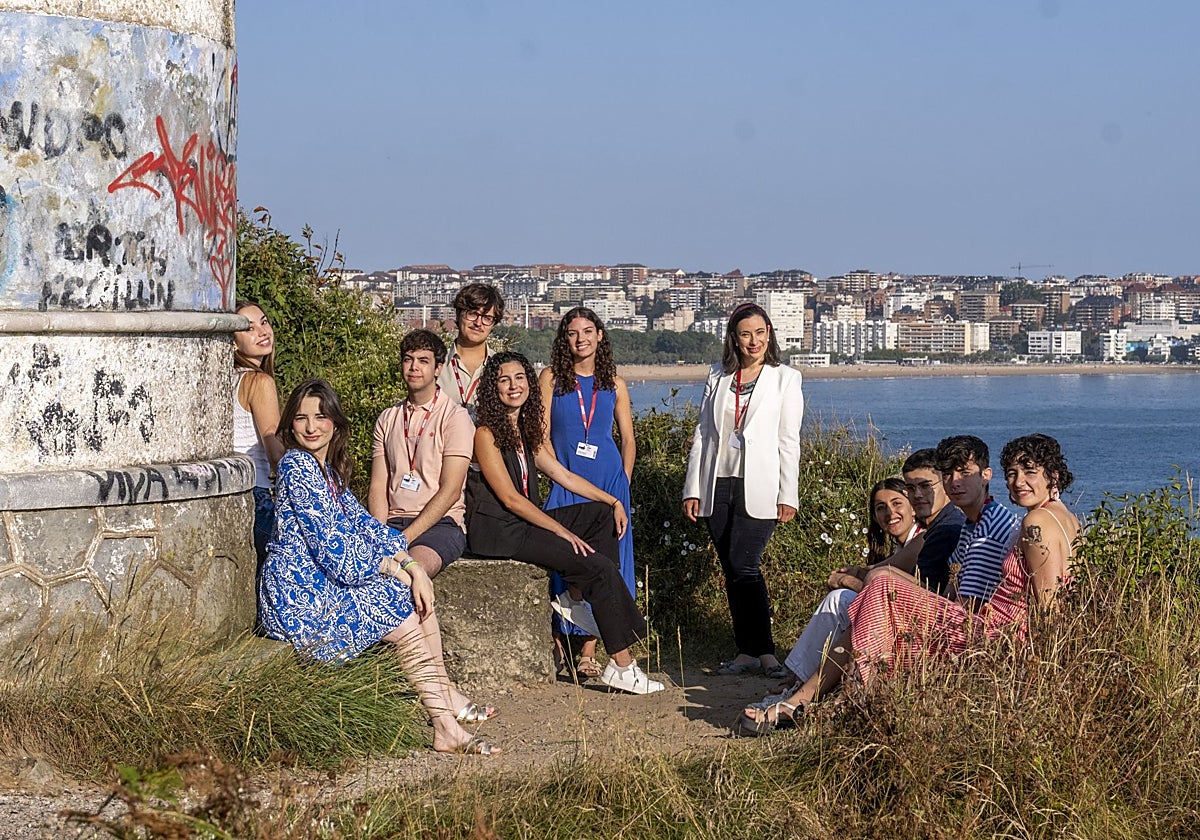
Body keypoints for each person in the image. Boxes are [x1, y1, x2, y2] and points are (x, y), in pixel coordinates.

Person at [259, 379, 501, 755]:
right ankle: (445, 720)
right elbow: (336, 553)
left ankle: (445, 708)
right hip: (299, 597)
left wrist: (410, 564)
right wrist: (398, 569)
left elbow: (366, 527)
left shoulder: (330, 475)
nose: (311, 427)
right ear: (290, 424)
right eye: (302, 418)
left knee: (410, 595)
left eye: (321, 417)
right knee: (398, 605)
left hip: (322, 584)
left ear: (335, 424)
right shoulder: (297, 467)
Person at [737, 434, 1022, 734]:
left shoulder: (985, 530)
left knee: (876, 591)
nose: (955, 481)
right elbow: (952, 588)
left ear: (986, 475)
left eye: (964, 473)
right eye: (949, 473)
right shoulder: (971, 523)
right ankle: (812, 698)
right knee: (877, 587)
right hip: (968, 622)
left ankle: (811, 699)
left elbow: (969, 606)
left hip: (977, 634)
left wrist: (874, 584)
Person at [466, 351, 664, 695]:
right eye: (503, 380)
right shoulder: (485, 433)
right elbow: (511, 499)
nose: (513, 386)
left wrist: (612, 500)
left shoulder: (525, 430)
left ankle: (575, 600)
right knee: (598, 568)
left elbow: (563, 475)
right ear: (492, 388)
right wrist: (560, 530)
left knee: (599, 516)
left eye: (519, 378)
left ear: (529, 383)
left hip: (523, 522)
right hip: (501, 531)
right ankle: (622, 664)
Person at [682, 302, 804, 679]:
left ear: (770, 333)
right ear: (734, 338)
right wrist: (692, 487)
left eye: (760, 332)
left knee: (745, 565)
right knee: (731, 569)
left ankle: (765, 651)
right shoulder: (718, 375)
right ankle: (746, 651)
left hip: (762, 485)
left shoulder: (786, 378)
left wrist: (789, 494)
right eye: (745, 334)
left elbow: (789, 440)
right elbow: (703, 433)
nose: (754, 341)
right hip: (716, 482)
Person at [538, 307, 637, 679]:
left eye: (588, 331)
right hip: (567, 480)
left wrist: (622, 483)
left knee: (606, 563)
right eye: (573, 332)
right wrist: (554, 474)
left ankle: (590, 650)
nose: (581, 339)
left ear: (599, 336)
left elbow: (627, 439)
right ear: (565, 339)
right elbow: (541, 434)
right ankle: (560, 643)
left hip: (610, 482)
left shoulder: (615, 383)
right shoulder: (551, 378)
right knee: (565, 557)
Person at [368, 329, 473, 578]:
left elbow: (450, 491)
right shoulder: (388, 417)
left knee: (408, 574)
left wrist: (404, 539)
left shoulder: (455, 417)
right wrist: (379, 533)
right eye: (408, 359)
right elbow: (378, 486)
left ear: (438, 369)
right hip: (393, 521)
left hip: (441, 524)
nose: (414, 367)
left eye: (423, 361)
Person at [999, 433, 1080, 611]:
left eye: (1030, 472)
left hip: (1008, 630)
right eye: (1012, 473)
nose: (1019, 482)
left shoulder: (1037, 520)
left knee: (921, 601)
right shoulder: (1070, 518)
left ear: (1053, 476)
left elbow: (1050, 603)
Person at [233, 300, 284, 570]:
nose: (263, 332)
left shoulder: (228, 378)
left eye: (264, 322)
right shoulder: (259, 381)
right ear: (233, 343)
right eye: (250, 328)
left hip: (235, 492)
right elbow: (272, 443)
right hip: (258, 493)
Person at [437, 283, 504, 419]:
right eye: (472, 314)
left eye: (487, 318)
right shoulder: (435, 364)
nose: (478, 323)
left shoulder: (502, 367)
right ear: (458, 314)